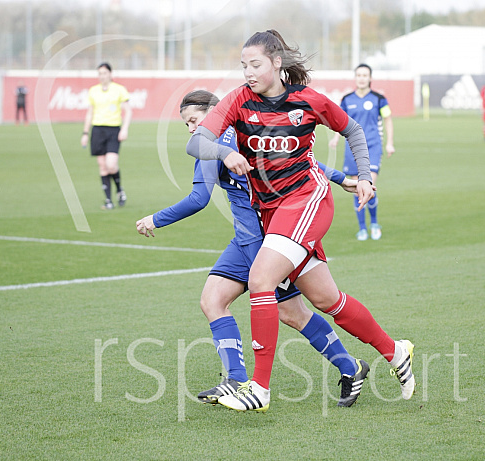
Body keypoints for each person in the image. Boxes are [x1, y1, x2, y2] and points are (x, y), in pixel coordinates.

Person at [185, 30, 415, 412]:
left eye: (255, 64)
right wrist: (224, 154)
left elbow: (352, 130)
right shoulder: (238, 99)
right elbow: (196, 142)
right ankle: (395, 351)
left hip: (307, 199)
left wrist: (365, 176)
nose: (248, 72)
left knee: (261, 280)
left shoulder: (307, 101)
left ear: (277, 63)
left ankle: (259, 387)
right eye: (243, 66)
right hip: (273, 212)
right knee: (326, 299)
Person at [137, 90, 370, 407]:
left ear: (215, 111)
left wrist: (155, 219)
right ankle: (235, 379)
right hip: (248, 239)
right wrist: (341, 178)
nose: (192, 129)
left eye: (194, 121)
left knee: (293, 311)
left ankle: (349, 366)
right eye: (187, 125)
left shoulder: (214, 145)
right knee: (213, 299)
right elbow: (295, 162)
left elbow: (199, 199)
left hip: (268, 241)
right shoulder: (250, 130)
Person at [329, 63, 395, 241]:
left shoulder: (379, 98)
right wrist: (336, 138)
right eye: (359, 75)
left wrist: (389, 143)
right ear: (355, 77)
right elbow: (339, 122)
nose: (362, 78)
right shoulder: (347, 99)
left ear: (370, 78)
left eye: (365, 75)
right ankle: (362, 228)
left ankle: (374, 223)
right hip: (351, 149)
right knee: (357, 187)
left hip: (373, 146)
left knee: (370, 183)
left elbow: (388, 120)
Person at [81, 62, 132, 210]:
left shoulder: (119, 90)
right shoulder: (93, 91)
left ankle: (120, 190)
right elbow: (90, 113)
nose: (102, 76)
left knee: (111, 164)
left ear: (110, 74)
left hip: (113, 130)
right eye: (100, 73)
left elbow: (128, 111)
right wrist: (85, 133)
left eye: (104, 73)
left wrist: (124, 129)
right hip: (97, 130)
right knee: (102, 166)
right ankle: (108, 200)